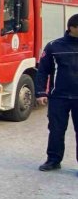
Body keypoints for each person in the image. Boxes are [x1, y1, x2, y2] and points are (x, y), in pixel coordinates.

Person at [35, 13, 78, 173]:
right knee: (56, 130)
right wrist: (40, 92)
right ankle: (53, 160)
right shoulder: (54, 46)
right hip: (58, 97)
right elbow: (42, 71)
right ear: (72, 28)